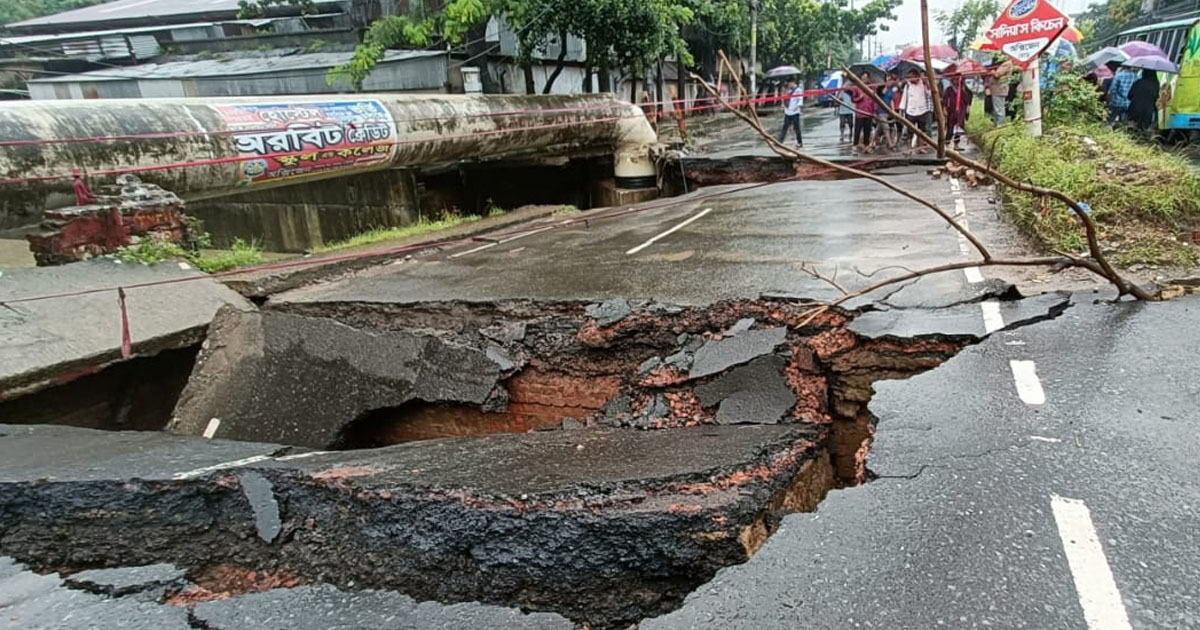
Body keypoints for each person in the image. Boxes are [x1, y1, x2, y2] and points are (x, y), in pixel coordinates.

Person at [898, 69, 933, 153]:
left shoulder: (923, 84)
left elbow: (930, 94)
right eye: (909, 77)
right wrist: (901, 110)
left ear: (917, 76)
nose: (910, 79)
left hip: (922, 110)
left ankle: (920, 148)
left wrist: (927, 83)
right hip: (910, 111)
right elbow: (904, 98)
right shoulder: (908, 86)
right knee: (910, 131)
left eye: (912, 77)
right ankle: (909, 149)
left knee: (921, 131)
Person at [942, 75, 973, 151]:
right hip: (951, 111)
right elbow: (945, 100)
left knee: (959, 129)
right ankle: (947, 143)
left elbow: (968, 100)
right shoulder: (949, 89)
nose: (956, 81)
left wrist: (967, 109)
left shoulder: (965, 90)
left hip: (961, 112)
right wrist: (944, 109)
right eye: (954, 79)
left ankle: (956, 144)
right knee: (950, 128)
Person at [850, 73, 876, 153]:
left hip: (869, 113)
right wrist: (859, 98)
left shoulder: (872, 88)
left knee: (867, 130)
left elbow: (875, 101)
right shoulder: (857, 88)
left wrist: (874, 111)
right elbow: (853, 99)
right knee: (857, 130)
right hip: (860, 113)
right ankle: (855, 145)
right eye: (862, 78)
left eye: (865, 78)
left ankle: (866, 145)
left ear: (868, 79)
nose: (864, 80)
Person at [779, 78, 804, 146]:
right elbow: (785, 99)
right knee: (785, 127)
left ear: (793, 82)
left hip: (795, 112)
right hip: (788, 111)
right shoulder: (788, 90)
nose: (789, 85)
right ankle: (780, 141)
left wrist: (797, 106)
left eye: (790, 83)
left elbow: (800, 99)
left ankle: (799, 142)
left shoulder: (798, 90)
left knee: (797, 128)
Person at [984, 60, 1009, 126]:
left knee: (999, 110)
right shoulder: (1003, 64)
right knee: (996, 109)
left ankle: (1000, 125)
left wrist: (992, 72)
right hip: (997, 90)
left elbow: (997, 75)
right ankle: (996, 124)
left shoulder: (1006, 64)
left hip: (999, 90)